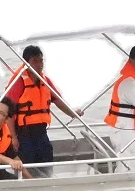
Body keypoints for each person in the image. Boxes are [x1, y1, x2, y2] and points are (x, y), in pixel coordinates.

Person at [6, 45, 83, 176]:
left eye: (41, 61)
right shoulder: (18, 81)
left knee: (46, 159)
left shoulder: (44, 80)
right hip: (23, 134)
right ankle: (27, 189)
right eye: (35, 61)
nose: (39, 65)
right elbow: (8, 112)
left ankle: (48, 185)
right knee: (26, 165)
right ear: (26, 63)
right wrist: (13, 137)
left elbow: (58, 100)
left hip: (41, 132)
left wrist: (73, 113)